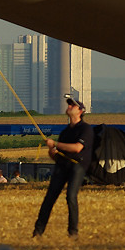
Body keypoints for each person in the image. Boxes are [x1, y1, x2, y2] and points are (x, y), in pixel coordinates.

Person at [32, 98, 94, 238]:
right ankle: (38, 232)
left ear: (80, 111)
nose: (69, 106)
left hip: (77, 166)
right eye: (69, 104)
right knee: (49, 198)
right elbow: (57, 156)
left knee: (71, 196)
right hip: (62, 166)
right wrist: (52, 152)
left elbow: (77, 148)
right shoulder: (65, 132)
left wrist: (56, 144)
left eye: (73, 105)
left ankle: (73, 232)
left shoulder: (85, 129)